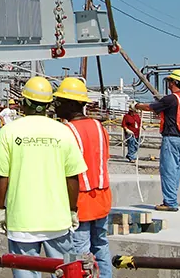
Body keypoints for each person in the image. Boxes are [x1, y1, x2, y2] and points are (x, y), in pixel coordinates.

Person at [0, 76, 87, 278]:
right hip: (58, 222)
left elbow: (1, 177)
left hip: (21, 221)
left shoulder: (9, 131)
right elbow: (72, 177)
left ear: (25, 102)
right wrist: (72, 210)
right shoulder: (64, 132)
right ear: (49, 104)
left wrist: (0, 209)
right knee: (67, 272)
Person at [54, 77, 113, 278]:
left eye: (59, 102)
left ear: (71, 104)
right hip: (102, 198)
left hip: (79, 201)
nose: (56, 106)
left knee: (79, 252)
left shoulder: (66, 131)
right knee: (101, 245)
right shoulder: (99, 127)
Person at [132, 69, 180, 212]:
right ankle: (172, 198)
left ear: (173, 82)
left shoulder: (170, 99)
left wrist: (136, 106)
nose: (168, 83)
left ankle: (170, 202)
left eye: (169, 81)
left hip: (171, 139)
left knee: (168, 172)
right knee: (176, 172)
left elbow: (151, 107)